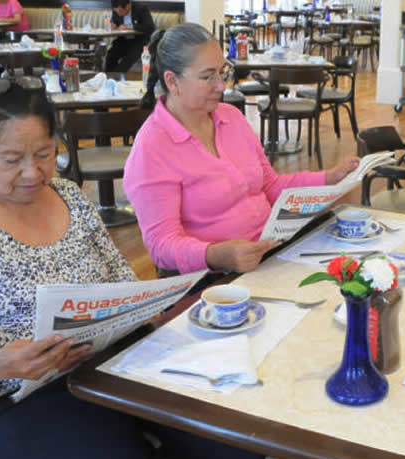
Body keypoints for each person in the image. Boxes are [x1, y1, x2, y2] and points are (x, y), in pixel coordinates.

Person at [0, 77, 275, 459]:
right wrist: (0, 362)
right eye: (12, 159)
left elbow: (120, 282)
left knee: (220, 433)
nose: (33, 172)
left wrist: (155, 307)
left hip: (109, 365)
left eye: (45, 154)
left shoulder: (68, 195)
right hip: (19, 399)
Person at [124, 23, 360, 275]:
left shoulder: (230, 118)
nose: (220, 86)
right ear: (172, 81)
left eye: (222, 73)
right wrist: (214, 255)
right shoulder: (153, 147)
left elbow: (270, 186)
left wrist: (329, 178)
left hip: (269, 251)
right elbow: (161, 246)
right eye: (207, 77)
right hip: (211, 277)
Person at [105, 0, 155, 73]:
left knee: (128, 59)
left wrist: (131, 27)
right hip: (123, 40)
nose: (119, 14)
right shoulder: (117, 10)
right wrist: (113, 25)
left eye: (120, 11)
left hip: (140, 41)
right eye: (116, 12)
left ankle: (117, 77)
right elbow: (115, 22)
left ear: (128, 6)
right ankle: (107, 77)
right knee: (111, 55)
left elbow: (150, 27)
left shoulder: (141, 8)